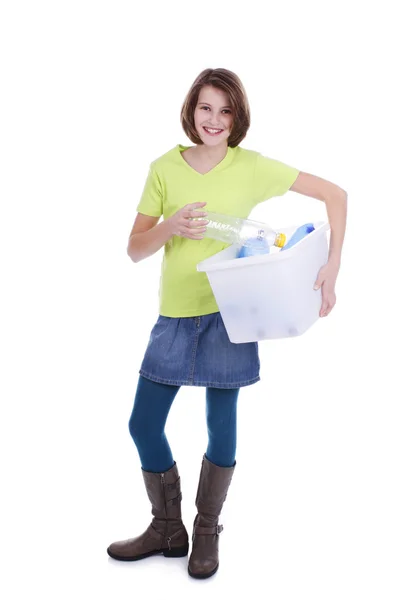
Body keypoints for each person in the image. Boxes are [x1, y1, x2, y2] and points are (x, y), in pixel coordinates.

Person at [107, 68, 347, 579]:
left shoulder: (252, 167)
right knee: (143, 424)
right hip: (175, 315)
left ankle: (207, 531)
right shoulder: (163, 169)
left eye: (225, 110)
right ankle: (167, 528)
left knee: (222, 425)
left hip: (231, 314)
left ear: (236, 117)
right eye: (205, 108)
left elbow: (336, 195)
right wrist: (169, 226)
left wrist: (331, 269)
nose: (214, 120)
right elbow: (133, 250)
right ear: (191, 110)